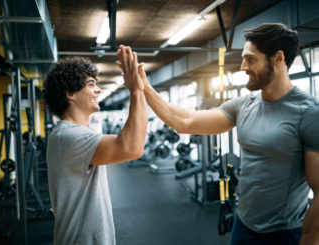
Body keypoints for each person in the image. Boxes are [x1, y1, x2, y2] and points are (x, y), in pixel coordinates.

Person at [122, 23, 319, 244]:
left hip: (283, 234)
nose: (243, 66)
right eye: (244, 58)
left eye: (250, 59)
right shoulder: (244, 105)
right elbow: (186, 121)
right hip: (243, 226)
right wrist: (144, 88)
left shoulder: (308, 113)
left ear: (278, 59)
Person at [44, 45, 147, 245]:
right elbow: (132, 148)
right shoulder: (69, 137)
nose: (98, 89)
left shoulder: (68, 134)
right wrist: (136, 90)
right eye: (91, 84)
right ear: (70, 94)